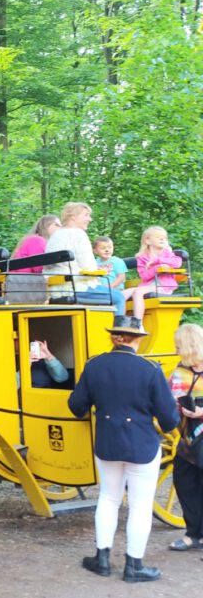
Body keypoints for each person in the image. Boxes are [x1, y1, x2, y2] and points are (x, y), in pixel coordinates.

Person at [68, 315, 179, 583]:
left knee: (108, 498)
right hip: (142, 444)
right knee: (140, 506)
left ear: (113, 337)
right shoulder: (150, 369)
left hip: (107, 442)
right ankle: (134, 566)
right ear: (138, 339)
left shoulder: (94, 366)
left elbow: (76, 406)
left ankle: (102, 559)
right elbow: (169, 419)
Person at [42, 202, 124, 315]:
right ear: (73, 217)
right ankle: (118, 331)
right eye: (86, 215)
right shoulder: (78, 234)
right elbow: (88, 267)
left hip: (56, 290)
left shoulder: (55, 236)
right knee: (119, 296)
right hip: (77, 288)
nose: (89, 219)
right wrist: (102, 272)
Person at [168, 323, 203, 553]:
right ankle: (194, 534)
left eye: (179, 345)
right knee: (184, 483)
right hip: (187, 441)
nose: (176, 349)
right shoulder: (179, 371)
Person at [124, 226, 183, 319]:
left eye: (164, 238)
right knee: (123, 294)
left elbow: (178, 263)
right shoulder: (142, 257)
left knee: (137, 292)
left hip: (163, 286)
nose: (162, 239)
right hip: (148, 285)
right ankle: (120, 320)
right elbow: (144, 276)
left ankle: (138, 323)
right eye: (158, 237)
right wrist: (157, 268)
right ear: (148, 240)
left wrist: (158, 260)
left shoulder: (168, 254)